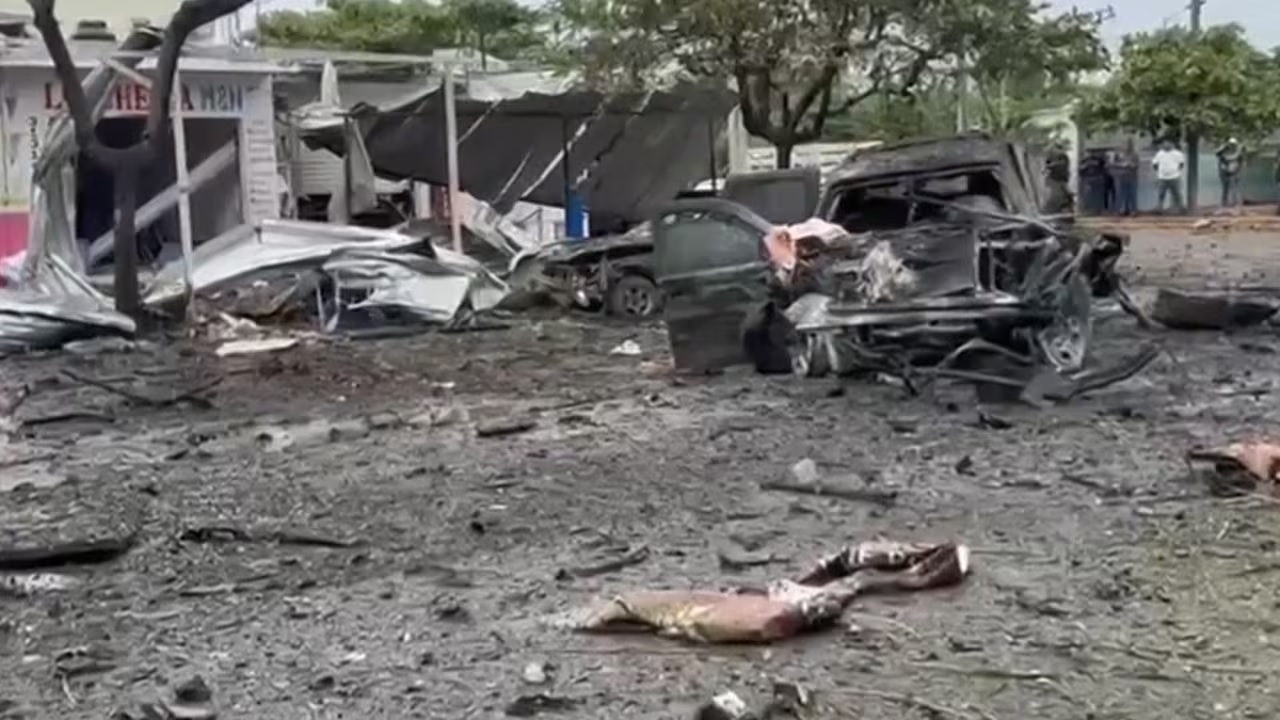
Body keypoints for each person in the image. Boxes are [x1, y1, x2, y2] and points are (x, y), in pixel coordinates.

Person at [1152, 139, 1185, 213]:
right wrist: (1160, 172)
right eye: (1165, 143)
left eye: (1168, 143)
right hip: (1162, 178)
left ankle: (1181, 208)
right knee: (1161, 194)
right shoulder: (1159, 154)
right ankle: (1159, 209)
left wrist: (1175, 171)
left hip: (1174, 177)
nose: (1166, 145)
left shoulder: (1177, 154)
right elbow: (1155, 164)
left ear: (1172, 144)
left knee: (1177, 194)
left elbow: (1181, 164)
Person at [1110, 139, 1140, 216]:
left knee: (1132, 194)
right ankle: (1118, 210)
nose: (1127, 146)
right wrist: (1122, 165)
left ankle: (1133, 210)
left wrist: (1131, 164)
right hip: (1120, 176)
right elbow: (1112, 164)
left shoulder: (1134, 154)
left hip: (1132, 176)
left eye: (1129, 144)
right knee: (1119, 194)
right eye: (1125, 144)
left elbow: (1137, 165)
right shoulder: (1117, 154)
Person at [1216, 137, 1244, 209]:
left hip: (1234, 172)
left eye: (1233, 144)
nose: (1231, 146)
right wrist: (1223, 147)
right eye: (1230, 144)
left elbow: (1239, 162)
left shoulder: (1238, 153)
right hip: (1225, 172)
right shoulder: (1224, 151)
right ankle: (1224, 203)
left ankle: (1235, 203)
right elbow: (1217, 153)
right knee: (1225, 188)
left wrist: (1238, 172)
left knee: (1233, 188)